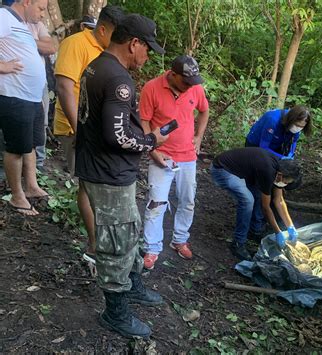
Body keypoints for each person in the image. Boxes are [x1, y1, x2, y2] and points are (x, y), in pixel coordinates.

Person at [75, 13, 167, 339]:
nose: (148, 57)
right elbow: (117, 136)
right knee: (117, 241)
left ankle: (134, 285)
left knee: (128, 233)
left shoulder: (96, 64)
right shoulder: (119, 80)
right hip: (109, 174)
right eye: (147, 50)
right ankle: (115, 311)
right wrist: (150, 141)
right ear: (134, 44)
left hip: (95, 166)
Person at [53, 5, 124, 262]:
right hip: (75, 128)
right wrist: (80, 130)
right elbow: (63, 86)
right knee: (87, 184)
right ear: (103, 29)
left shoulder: (104, 50)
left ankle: (101, 243)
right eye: (116, 35)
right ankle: (95, 245)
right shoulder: (76, 44)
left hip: (94, 129)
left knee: (95, 183)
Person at [139, 55, 210, 269]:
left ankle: (180, 238)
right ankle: (151, 247)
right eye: (185, 82)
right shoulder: (152, 88)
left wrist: (198, 136)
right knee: (156, 203)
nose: (190, 86)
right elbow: (143, 122)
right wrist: (152, 150)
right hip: (162, 154)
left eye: (193, 82)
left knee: (187, 200)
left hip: (188, 156)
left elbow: (204, 110)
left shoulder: (194, 88)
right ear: (173, 74)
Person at [0, 0, 49, 216]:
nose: (42, 14)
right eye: (40, 8)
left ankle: (31, 185)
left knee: (30, 143)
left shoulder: (21, 24)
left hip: (31, 96)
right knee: (16, 147)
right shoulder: (4, 16)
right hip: (14, 95)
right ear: (27, 1)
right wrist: (2, 66)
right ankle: (17, 196)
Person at [210, 147, 302, 260]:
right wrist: (278, 232)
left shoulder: (281, 168)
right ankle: (238, 243)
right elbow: (266, 207)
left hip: (244, 172)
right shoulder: (268, 171)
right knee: (247, 201)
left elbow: (279, 200)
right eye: (286, 182)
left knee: (258, 195)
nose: (285, 185)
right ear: (280, 175)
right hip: (222, 169)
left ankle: (254, 230)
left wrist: (290, 226)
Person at [27, 19, 57, 172]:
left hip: (39, 83)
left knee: (41, 123)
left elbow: (50, 47)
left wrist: (24, 40)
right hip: (12, 83)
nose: (40, 14)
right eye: (39, 8)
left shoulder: (36, 25)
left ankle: (38, 165)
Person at [245, 105, 312, 159]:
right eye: (297, 125)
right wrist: (282, 157)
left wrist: (291, 154)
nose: (298, 128)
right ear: (291, 120)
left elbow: (294, 141)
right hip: (255, 144)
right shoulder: (273, 121)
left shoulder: (297, 126)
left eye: (301, 127)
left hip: (276, 144)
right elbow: (263, 147)